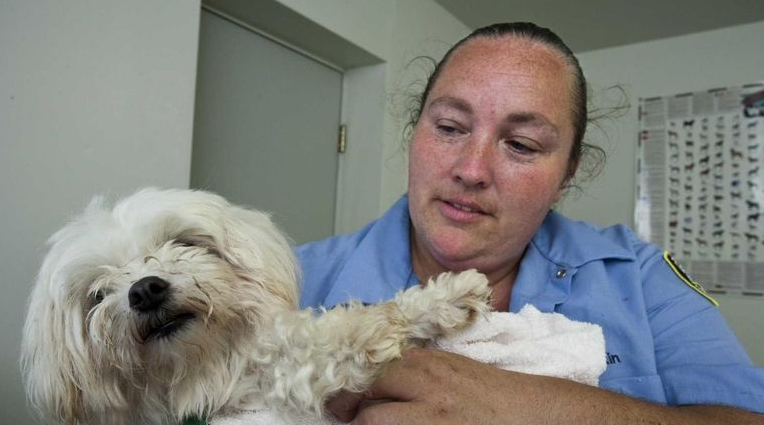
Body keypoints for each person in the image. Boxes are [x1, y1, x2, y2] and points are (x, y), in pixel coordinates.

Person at [295, 22, 764, 424]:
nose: (471, 170)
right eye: (449, 128)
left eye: (520, 144)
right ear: (415, 132)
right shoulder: (292, 280)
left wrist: (527, 406)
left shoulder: (641, 282)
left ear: (567, 174)